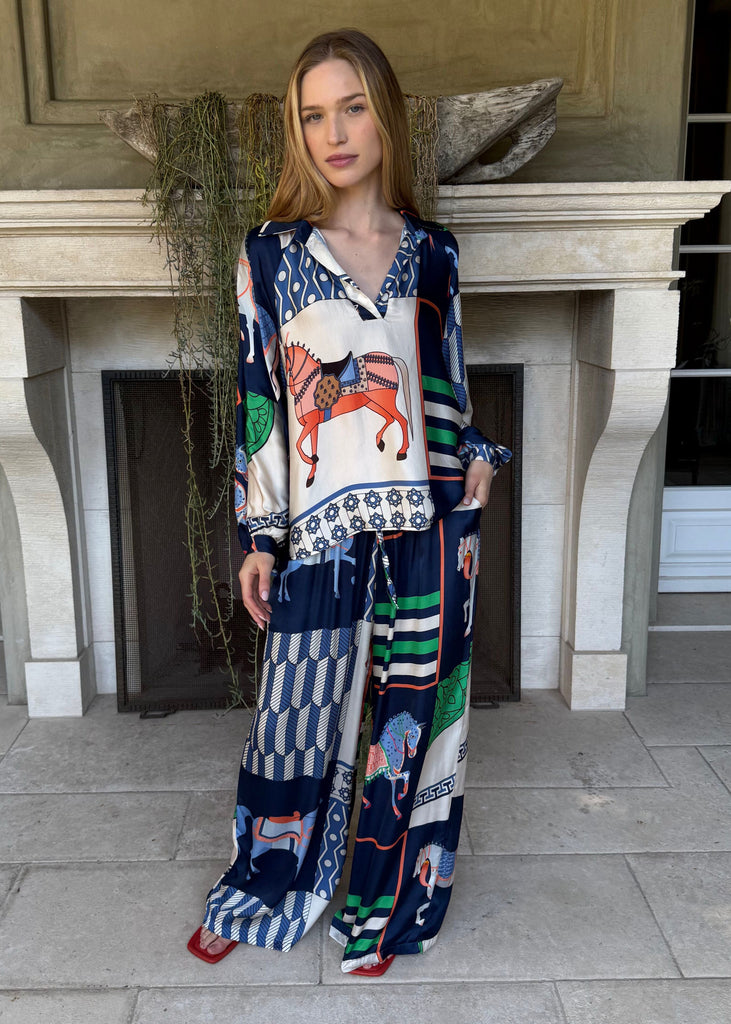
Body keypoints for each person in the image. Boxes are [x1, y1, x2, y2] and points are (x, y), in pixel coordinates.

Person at [187, 27, 512, 976]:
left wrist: (482, 454)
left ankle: (382, 911)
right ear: (298, 130)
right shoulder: (272, 253)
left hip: (432, 522)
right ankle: (261, 889)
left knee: (410, 725)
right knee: (294, 712)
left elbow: (446, 381)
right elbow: (264, 400)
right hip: (320, 534)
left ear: (386, 113)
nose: (334, 132)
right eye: (313, 114)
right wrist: (259, 534)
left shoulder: (436, 253)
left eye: (353, 106)